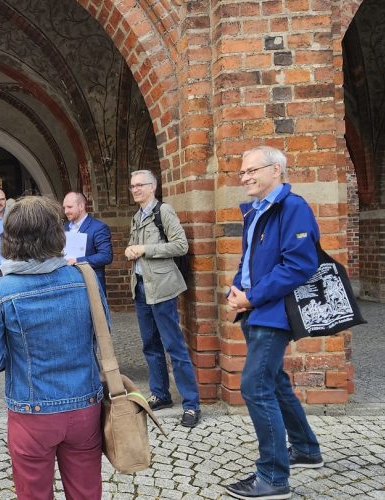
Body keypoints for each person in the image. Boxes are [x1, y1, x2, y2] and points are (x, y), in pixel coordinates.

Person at [0, 196, 104, 500]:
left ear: (10, 238)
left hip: (31, 410)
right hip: (84, 404)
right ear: (56, 234)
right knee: (87, 493)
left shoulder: (1, 290)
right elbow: (103, 334)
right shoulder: (85, 278)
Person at [224, 146, 324, 500]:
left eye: (253, 170)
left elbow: (298, 266)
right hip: (255, 309)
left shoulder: (293, 208)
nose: (246, 177)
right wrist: (235, 292)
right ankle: (307, 449)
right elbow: (249, 261)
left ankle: (273, 477)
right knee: (275, 382)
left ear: (277, 170)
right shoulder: (257, 211)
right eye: (242, 172)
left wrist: (252, 297)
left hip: (274, 313)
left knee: (255, 386)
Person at [124, 170, 201, 428]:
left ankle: (191, 404)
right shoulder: (136, 217)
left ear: (152, 187)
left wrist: (145, 249)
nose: (134, 189)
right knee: (150, 345)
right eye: (132, 186)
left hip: (162, 287)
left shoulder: (163, 212)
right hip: (142, 288)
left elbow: (181, 245)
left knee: (174, 346)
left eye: (139, 185)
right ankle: (161, 394)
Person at [62, 192, 114, 290]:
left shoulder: (98, 227)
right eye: (64, 207)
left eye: (69, 207)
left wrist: (77, 261)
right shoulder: (64, 227)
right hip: (68, 283)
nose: (66, 211)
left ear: (81, 206)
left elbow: (106, 256)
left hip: (91, 284)